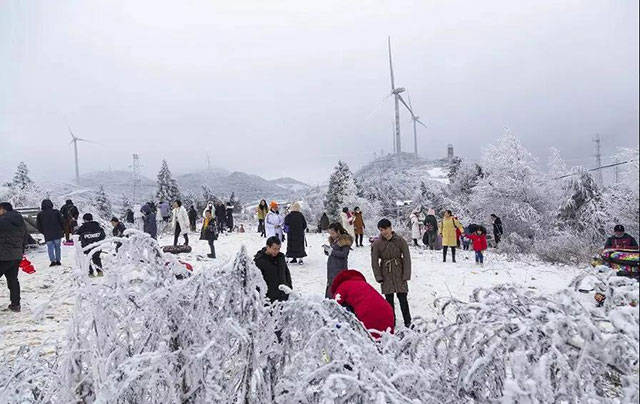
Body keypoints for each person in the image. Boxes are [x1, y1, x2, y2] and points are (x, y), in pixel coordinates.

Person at [329, 269, 395, 339]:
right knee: (385, 343)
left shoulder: (342, 286)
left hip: (368, 314)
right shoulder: (363, 284)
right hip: (388, 312)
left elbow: (334, 307)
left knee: (370, 344)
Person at [371, 219, 412, 328]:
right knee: (389, 301)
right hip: (386, 273)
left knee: (403, 298)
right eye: (381, 230)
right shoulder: (377, 243)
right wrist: (378, 276)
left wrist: (406, 275)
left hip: (399, 271)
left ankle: (408, 322)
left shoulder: (400, 241)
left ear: (390, 228)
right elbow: (374, 261)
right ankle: (391, 322)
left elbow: (407, 258)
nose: (384, 232)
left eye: (385, 229)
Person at [0, 202, 26, 312]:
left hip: (3, 256)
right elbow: (25, 237)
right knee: (13, 280)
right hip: (16, 255)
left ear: (4, 209)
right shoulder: (20, 221)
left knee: (12, 280)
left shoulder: (2, 221)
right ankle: (16, 304)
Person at [253, 236, 292, 303]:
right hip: (268, 299)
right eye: (274, 249)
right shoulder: (259, 261)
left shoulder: (281, 257)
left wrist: (289, 288)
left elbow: (286, 274)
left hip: (283, 296)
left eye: (278, 249)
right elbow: (256, 281)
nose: (276, 251)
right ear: (268, 247)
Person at [322, 222, 353, 298]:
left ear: (338, 231)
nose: (331, 235)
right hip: (332, 268)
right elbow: (333, 252)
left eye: (333, 233)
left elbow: (344, 254)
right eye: (330, 233)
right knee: (331, 284)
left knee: (338, 286)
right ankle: (329, 300)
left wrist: (331, 251)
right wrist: (327, 251)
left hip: (340, 269)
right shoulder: (334, 240)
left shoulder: (344, 241)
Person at [74, 213, 106, 277]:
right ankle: (100, 272)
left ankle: (90, 273)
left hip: (86, 247)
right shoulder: (97, 226)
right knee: (96, 258)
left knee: (87, 259)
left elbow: (77, 236)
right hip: (97, 246)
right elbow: (103, 236)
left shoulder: (83, 227)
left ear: (85, 220)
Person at [36, 199, 64, 267]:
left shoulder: (40, 214)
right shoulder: (56, 212)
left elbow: (38, 225)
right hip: (57, 233)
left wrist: (43, 232)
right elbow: (62, 221)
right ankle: (58, 260)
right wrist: (61, 230)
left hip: (47, 234)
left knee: (50, 248)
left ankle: (52, 261)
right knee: (58, 247)